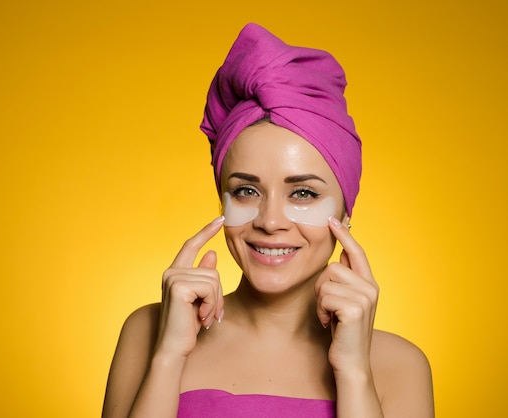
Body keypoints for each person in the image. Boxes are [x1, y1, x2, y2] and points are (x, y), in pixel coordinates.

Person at [102, 23, 434, 418]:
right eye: (247, 191)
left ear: (345, 212)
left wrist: (355, 373)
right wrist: (169, 355)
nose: (271, 221)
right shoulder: (148, 331)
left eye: (304, 193)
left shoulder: (399, 366)